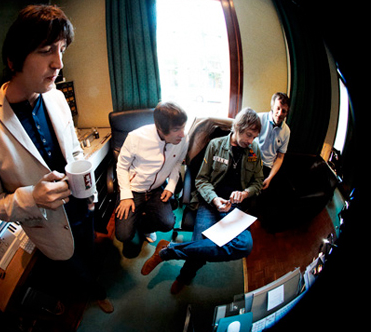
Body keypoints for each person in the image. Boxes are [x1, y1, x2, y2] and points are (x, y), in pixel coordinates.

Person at [0, 4, 113, 313]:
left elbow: (74, 151)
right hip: (47, 228)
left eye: (61, 50)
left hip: (82, 208)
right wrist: (32, 198)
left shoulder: (56, 96)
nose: (59, 63)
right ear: (13, 60)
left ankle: (96, 287)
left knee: (90, 252)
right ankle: (86, 295)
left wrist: (89, 192)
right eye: (47, 51)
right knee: (72, 268)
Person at [141, 107, 263, 294]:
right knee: (200, 248)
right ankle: (184, 277)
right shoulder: (215, 145)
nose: (251, 141)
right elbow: (201, 180)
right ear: (238, 127)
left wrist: (245, 193)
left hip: (234, 208)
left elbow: (258, 182)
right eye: (248, 135)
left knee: (245, 245)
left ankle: (167, 251)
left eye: (254, 137)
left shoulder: (254, 151)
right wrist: (214, 199)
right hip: (209, 204)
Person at [115, 101, 188, 257]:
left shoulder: (182, 139)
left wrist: (171, 186)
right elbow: (121, 167)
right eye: (177, 130)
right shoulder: (135, 138)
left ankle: (145, 227)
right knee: (123, 235)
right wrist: (125, 195)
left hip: (157, 189)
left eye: (183, 127)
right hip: (134, 189)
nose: (182, 134)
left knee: (167, 224)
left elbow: (177, 163)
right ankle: (134, 224)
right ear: (160, 129)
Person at [257, 92, 291, 190]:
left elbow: (280, 157)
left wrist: (269, 178)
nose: (280, 114)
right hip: (252, 161)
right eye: (278, 108)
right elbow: (247, 143)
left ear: (287, 113)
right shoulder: (259, 119)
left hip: (268, 167)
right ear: (272, 107)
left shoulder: (286, 131)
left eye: (283, 111)